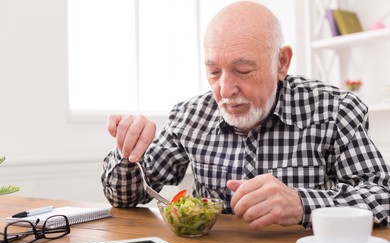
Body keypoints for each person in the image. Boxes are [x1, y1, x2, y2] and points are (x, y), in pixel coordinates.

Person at [101, 1, 390, 229]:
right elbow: (125, 197)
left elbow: (382, 197)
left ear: (281, 62)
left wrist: (302, 204)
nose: (225, 90)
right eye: (213, 71)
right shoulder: (189, 115)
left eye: (243, 70)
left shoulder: (334, 109)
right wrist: (128, 151)